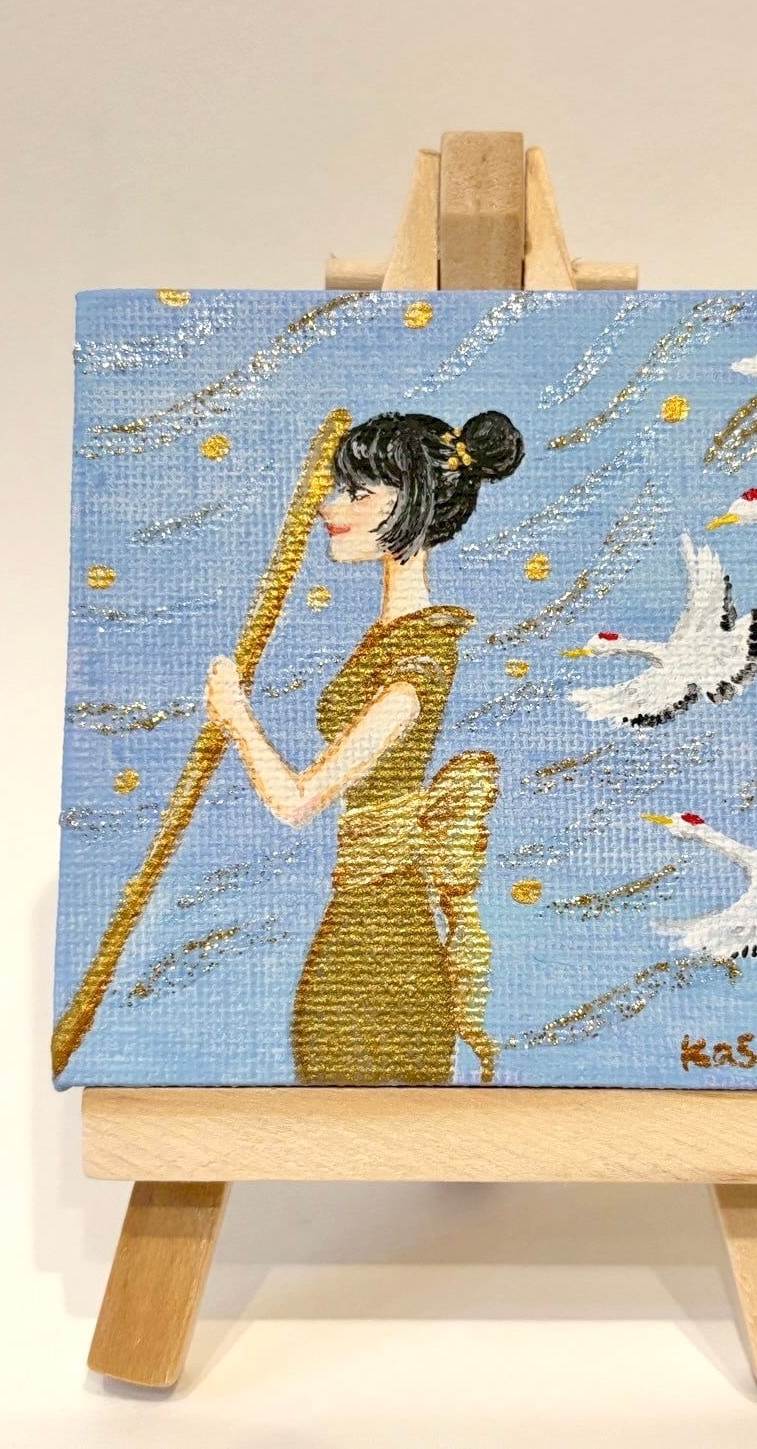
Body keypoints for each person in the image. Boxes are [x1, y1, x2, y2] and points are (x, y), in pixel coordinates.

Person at [205, 409, 525, 1084]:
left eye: (357, 493)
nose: (330, 508)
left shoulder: (420, 662)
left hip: (382, 941)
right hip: (365, 916)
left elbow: (298, 802)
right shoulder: (392, 638)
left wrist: (237, 717)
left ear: (412, 504)